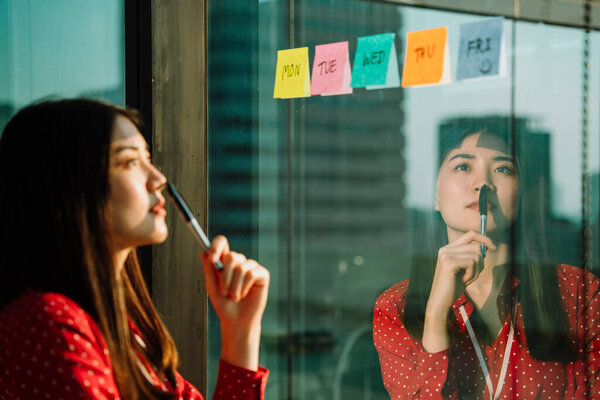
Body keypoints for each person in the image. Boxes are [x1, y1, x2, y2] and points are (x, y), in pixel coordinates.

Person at [0, 98, 270, 399]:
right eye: (129, 162)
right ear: (68, 185)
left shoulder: (126, 331)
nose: (158, 179)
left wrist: (240, 328)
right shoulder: (45, 323)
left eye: (148, 159)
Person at [373, 120, 600, 399]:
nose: (483, 183)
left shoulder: (579, 291)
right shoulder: (395, 308)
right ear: (434, 195)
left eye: (503, 169)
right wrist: (435, 314)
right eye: (463, 166)